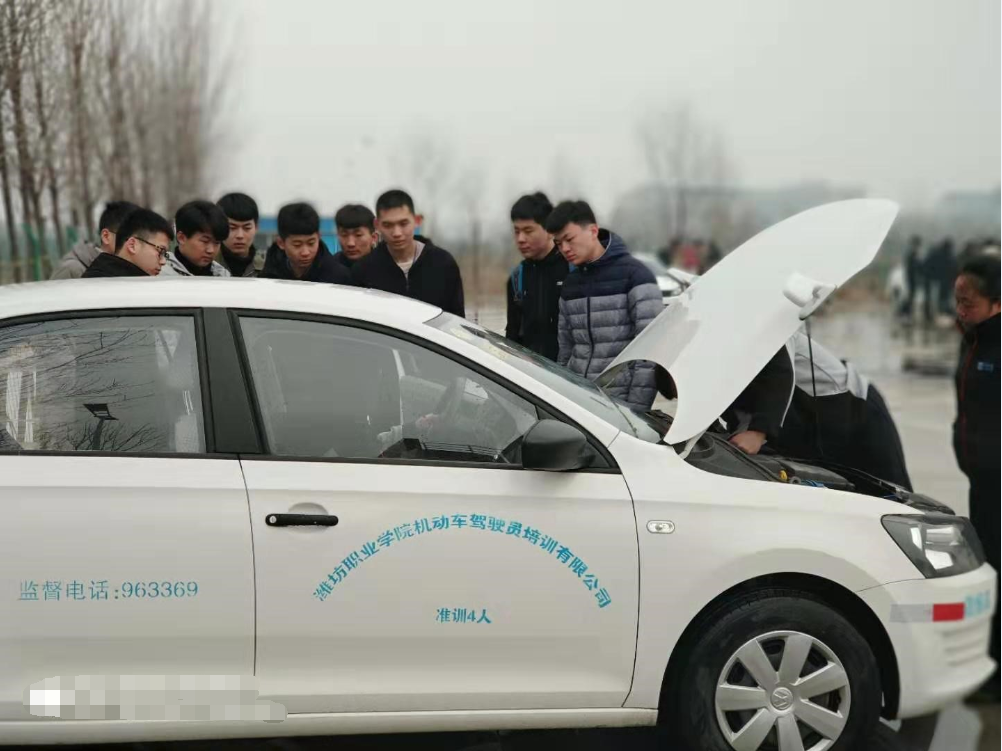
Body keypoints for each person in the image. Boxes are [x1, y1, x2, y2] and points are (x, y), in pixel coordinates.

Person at [726, 329, 912, 489]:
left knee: (896, 499)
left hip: (858, 414)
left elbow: (780, 373)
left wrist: (757, 433)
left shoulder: (768, 328)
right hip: (806, 435)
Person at [546, 200, 662, 411]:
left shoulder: (636, 277)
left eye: (569, 239)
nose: (564, 249)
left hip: (619, 406)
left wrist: (635, 412)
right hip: (578, 401)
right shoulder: (570, 284)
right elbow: (565, 350)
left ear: (593, 231)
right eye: (558, 243)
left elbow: (650, 354)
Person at [953, 254, 1000, 703]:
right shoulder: (974, 340)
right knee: (989, 563)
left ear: (997, 303)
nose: (960, 310)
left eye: (968, 303)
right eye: (958, 300)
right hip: (981, 478)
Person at [351, 189, 464, 316]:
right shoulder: (364, 270)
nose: (397, 233)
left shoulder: (443, 263)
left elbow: (457, 319)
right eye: (388, 225)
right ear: (377, 225)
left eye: (403, 224)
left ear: (417, 220)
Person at [505, 192, 568, 361]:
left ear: (549, 231)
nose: (521, 239)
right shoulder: (517, 278)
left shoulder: (571, 270)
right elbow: (512, 337)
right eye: (516, 231)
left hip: (567, 372)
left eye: (528, 231)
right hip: (529, 373)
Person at [260, 202, 352, 285]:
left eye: (311, 243)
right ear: (281, 243)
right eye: (297, 245)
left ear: (319, 237)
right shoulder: (267, 277)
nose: (305, 252)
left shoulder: (339, 278)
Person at [50, 201, 139, 279]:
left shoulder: (130, 268)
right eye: (129, 238)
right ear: (106, 237)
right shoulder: (72, 270)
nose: (134, 246)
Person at [81, 208, 173, 278]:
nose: (163, 262)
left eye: (165, 254)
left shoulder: (108, 277)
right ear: (132, 245)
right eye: (161, 251)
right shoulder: (105, 285)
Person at [162, 200, 231, 277]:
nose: (211, 250)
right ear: (181, 238)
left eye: (217, 243)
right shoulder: (160, 274)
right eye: (205, 241)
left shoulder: (223, 276)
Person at [216, 192, 262, 277]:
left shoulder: (268, 268)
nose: (240, 235)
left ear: (256, 227)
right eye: (232, 228)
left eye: (247, 228)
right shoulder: (207, 264)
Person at [333, 203, 378, 271]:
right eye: (344, 235)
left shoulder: (386, 266)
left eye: (358, 235)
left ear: (374, 238)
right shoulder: (330, 267)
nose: (350, 243)